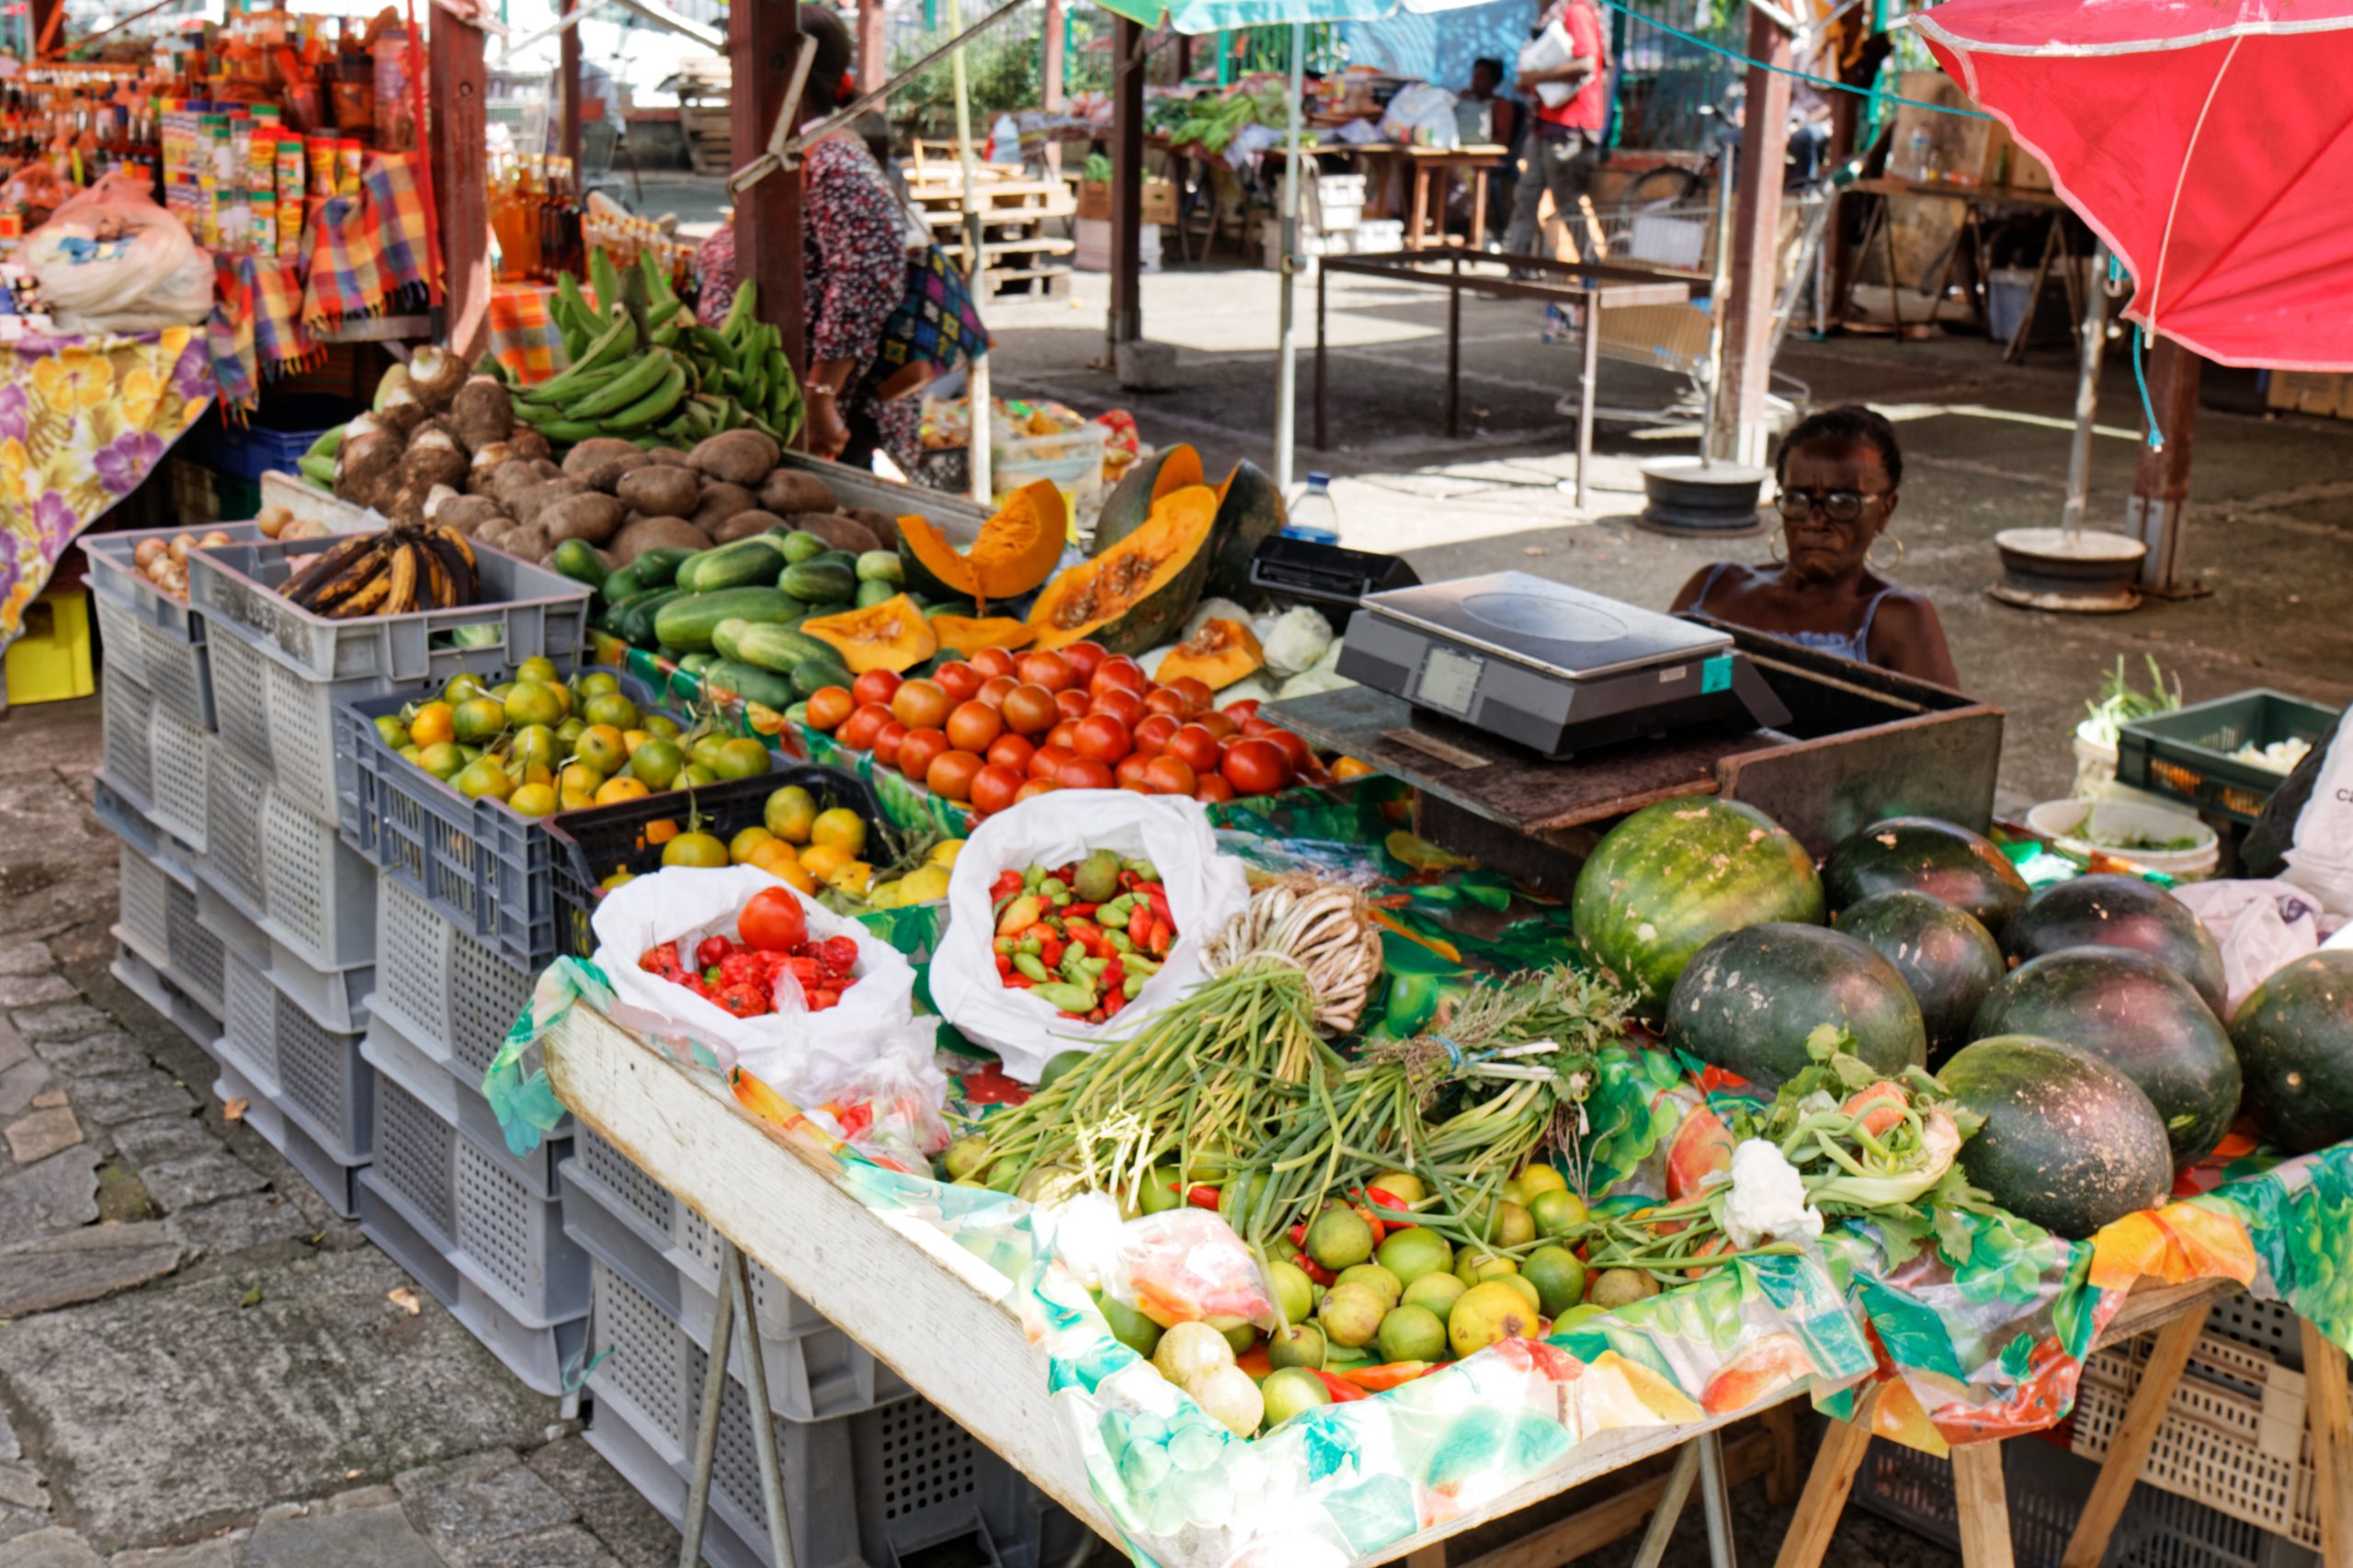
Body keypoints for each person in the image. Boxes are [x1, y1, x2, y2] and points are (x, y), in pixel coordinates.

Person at [691, 5, 921, 471]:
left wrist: (820, 394)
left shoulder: (832, 159)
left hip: (819, 420)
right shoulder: (791, 153)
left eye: (741, 66)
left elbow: (868, 275)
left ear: (784, 69)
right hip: (775, 405)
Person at [1670, 405, 1961, 688]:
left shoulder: (1896, 618)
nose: (1815, 520)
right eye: (1797, 499)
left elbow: (1948, 735)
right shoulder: (1713, 585)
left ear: (1885, 510)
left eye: (1843, 503)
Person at [1501, 0, 1608, 264]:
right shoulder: (1550, 18)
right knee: (1526, 197)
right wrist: (1529, 83)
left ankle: (1591, 271)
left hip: (1570, 126)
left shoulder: (1577, 10)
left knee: (1566, 201)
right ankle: (1517, 269)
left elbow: (1586, 63)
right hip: (1542, 124)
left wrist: (1535, 78)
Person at [1459, 57, 1521, 248]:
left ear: (1494, 82)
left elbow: (1503, 141)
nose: (1477, 82)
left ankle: (1479, 236)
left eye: (1483, 77)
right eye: (1475, 77)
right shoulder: (1465, 100)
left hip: (1494, 162)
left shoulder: (1501, 106)